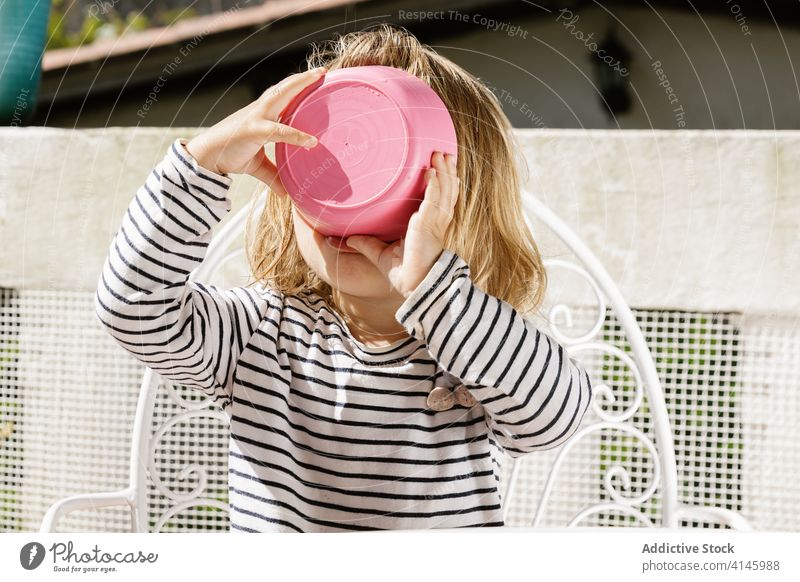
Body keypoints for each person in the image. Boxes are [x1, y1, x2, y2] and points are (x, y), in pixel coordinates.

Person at [95, 23, 593, 533]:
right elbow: (133, 309)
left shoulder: (472, 339)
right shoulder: (259, 333)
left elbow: (557, 417)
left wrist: (435, 291)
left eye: (406, 186)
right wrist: (203, 165)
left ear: (465, 211)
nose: (356, 204)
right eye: (327, 171)